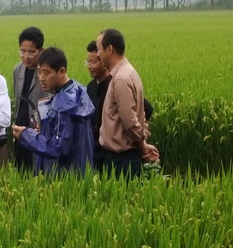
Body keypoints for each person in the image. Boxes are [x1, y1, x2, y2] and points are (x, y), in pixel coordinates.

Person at [12, 47, 95, 175]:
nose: (41, 78)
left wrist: (26, 135)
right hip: (79, 168)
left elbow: (58, 147)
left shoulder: (65, 106)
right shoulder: (75, 90)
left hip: (65, 174)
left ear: (61, 71)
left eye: (46, 72)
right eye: (39, 72)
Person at [95, 28, 159, 177]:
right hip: (124, 157)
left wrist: (142, 145)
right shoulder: (128, 72)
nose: (97, 54)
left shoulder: (121, 79)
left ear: (109, 49)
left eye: (99, 49)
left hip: (121, 160)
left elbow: (130, 121)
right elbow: (140, 113)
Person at [85, 40, 153, 147]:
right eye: (87, 62)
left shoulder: (116, 83)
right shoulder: (90, 87)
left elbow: (146, 109)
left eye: (92, 62)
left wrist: (132, 135)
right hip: (95, 147)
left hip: (114, 148)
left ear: (103, 61)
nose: (89, 66)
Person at [12, 26, 50, 171]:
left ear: (41, 51)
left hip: (38, 133)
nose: (26, 56)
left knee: (37, 170)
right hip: (20, 131)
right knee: (21, 170)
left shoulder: (47, 72)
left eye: (31, 52)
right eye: (23, 51)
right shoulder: (17, 70)